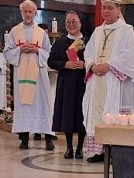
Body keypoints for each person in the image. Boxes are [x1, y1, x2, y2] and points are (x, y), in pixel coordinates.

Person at [83, 0, 134, 163]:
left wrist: (108, 66)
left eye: (110, 7)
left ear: (119, 9)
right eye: (104, 7)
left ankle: (114, 152)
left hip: (113, 79)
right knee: (96, 113)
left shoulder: (127, 31)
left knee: (113, 112)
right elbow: (88, 52)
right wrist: (92, 65)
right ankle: (99, 152)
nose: (106, 11)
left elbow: (129, 56)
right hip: (97, 79)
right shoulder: (97, 31)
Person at [4, 0, 55, 151]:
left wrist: (37, 50)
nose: (27, 14)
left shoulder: (41, 33)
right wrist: (19, 50)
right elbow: (7, 53)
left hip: (38, 75)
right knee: (23, 105)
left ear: (35, 13)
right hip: (21, 75)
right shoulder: (14, 31)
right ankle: (24, 139)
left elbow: (49, 53)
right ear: (21, 13)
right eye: (25, 11)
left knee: (42, 105)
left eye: (30, 12)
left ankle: (47, 139)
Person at [48, 11, 87, 159]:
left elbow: (94, 59)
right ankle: (69, 147)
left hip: (83, 83)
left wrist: (84, 64)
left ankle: (80, 148)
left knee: (81, 113)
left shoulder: (87, 41)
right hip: (66, 84)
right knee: (67, 114)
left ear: (80, 23)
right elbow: (51, 61)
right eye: (68, 22)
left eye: (74, 21)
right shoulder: (60, 42)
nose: (71, 25)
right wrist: (65, 64)